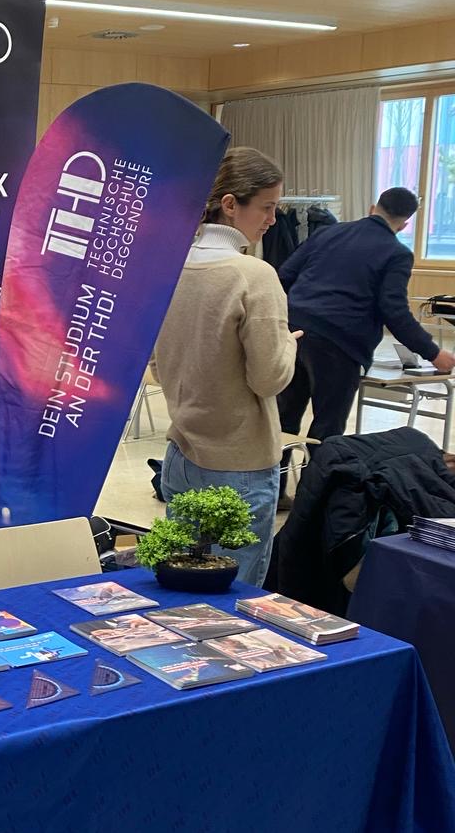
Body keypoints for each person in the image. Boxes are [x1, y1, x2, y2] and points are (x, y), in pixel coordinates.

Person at [154, 147, 299, 587]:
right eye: (267, 207)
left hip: (180, 453)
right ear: (231, 204)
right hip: (239, 462)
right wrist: (288, 346)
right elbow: (269, 377)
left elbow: (159, 367)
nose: (273, 219)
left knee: (180, 591)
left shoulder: (167, 267)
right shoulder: (254, 275)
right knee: (234, 600)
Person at [278, 188, 455, 443]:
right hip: (339, 343)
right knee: (327, 428)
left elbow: (284, 275)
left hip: (293, 331)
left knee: (283, 419)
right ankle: (318, 471)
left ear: (373, 208)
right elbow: (394, 311)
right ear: (404, 225)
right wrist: (433, 353)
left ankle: (274, 470)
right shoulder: (396, 253)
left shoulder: (327, 233)